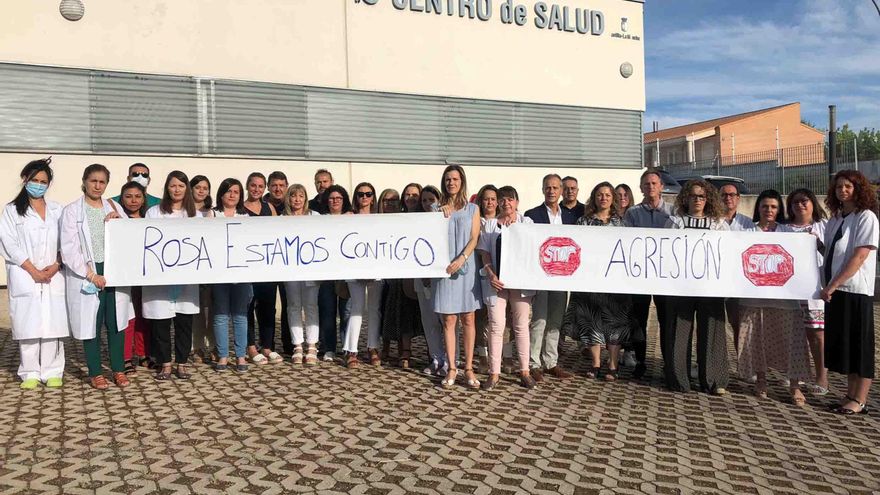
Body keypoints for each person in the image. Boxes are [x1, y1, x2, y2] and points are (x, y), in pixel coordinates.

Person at [60, 164, 133, 389]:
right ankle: (95, 372)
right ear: (84, 181)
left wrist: (119, 222)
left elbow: (130, 237)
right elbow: (69, 248)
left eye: (102, 182)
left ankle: (118, 369)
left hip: (113, 273)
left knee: (116, 322)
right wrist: (91, 274)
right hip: (88, 272)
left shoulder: (114, 206)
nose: (97, 186)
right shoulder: (72, 210)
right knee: (90, 323)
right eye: (93, 181)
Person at [0, 158, 68, 389]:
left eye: (43, 181)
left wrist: (57, 264)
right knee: (28, 323)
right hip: (25, 273)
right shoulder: (11, 211)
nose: (39, 185)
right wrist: (32, 270)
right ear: (24, 180)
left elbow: (67, 240)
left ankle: (53, 370)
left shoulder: (58, 210)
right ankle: (29, 372)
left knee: (52, 323)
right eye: (35, 180)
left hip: (53, 273)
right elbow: (9, 243)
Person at [737, 189, 809, 405]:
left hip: (786, 299)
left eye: (774, 207)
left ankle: (795, 386)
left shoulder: (790, 233)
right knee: (756, 340)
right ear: (758, 208)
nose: (769, 210)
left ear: (779, 210)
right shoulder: (745, 233)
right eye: (765, 206)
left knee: (792, 342)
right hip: (753, 299)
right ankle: (761, 381)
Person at [564, 182, 637, 381]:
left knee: (615, 324)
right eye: (599, 195)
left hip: (615, 282)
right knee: (592, 322)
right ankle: (596, 363)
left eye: (607, 195)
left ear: (613, 198)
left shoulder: (622, 223)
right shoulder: (583, 222)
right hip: (590, 281)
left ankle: (612, 364)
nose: (603, 198)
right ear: (594, 198)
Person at [663, 179, 729, 395]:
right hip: (680, 285)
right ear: (686, 198)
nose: (698, 200)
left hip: (710, 285)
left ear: (707, 198)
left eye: (701, 196)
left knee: (712, 329)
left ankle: (713, 380)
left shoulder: (718, 223)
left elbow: (726, 253)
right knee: (679, 330)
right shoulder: (675, 221)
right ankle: (678, 379)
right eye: (693, 196)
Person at [820, 170, 879, 415]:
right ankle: (849, 395)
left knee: (860, 346)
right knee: (846, 347)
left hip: (855, 291)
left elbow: (859, 256)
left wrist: (831, 286)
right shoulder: (835, 219)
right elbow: (830, 252)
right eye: (838, 187)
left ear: (858, 189)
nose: (842, 190)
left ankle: (860, 400)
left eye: (848, 186)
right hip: (836, 292)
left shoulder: (866, 217)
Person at [143, 171, 202, 380]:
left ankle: (182, 362)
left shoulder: (195, 215)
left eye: (181, 186)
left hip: (186, 277)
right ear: (167, 188)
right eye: (173, 186)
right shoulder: (153, 212)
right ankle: (165, 364)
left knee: (184, 322)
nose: (176, 190)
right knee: (160, 322)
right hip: (160, 277)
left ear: (186, 189)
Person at [477, 185, 536, 390]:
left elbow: (532, 246)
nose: (506, 203)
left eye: (510, 199)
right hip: (497, 282)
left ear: (517, 202)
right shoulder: (491, 225)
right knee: (496, 326)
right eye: (502, 199)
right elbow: (484, 252)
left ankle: (525, 371)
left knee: (520, 326)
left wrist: (516, 228)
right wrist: (491, 273)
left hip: (520, 283)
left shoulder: (526, 222)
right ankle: (494, 373)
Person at [622, 168, 674, 378]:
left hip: (665, 276)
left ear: (661, 186)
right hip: (640, 276)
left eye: (654, 183)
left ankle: (669, 362)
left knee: (666, 319)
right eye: (646, 184)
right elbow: (626, 241)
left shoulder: (673, 212)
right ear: (641, 188)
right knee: (639, 320)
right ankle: (641, 361)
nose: (650, 187)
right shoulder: (632, 213)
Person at [435, 165, 483, 389]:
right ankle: (452, 367)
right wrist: (439, 216)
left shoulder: (473, 208)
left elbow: (474, 238)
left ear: (461, 181)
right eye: (447, 179)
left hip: (466, 266)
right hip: (445, 269)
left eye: (455, 179)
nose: (451, 183)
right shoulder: (438, 209)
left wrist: (462, 259)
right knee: (449, 319)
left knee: (468, 318)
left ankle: (469, 368)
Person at [524, 174, 576, 381]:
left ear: (561, 191)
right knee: (539, 319)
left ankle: (551, 362)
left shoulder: (571, 218)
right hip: (541, 275)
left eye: (555, 188)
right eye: (548, 187)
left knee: (556, 320)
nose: (552, 191)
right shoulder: (532, 215)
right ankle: (533, 363)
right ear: (543, 189)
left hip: (562, 277)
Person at [781, 188, 828, 395]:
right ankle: (795, 376)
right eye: (795, 202)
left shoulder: (824, 226)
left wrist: (816, 242)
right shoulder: (783, 230)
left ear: (813, 204)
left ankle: (821, 376)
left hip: (815, 290)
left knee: (817, 334)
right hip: (790, 289)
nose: (800, 205)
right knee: (792, 334)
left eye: (804, 201)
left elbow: (832, 255)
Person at [211, 178, 253, 373]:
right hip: (218, 274)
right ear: (221, 194)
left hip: (241, 274)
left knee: (240, 316)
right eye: (228, 191)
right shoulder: (211, 215)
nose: (232, 195)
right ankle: (222, 356)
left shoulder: (246, 217)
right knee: (220, 316)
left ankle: (241, 355)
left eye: (236, 191)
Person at [379, 187, 423, 368]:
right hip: (391, 271)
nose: (410, 198)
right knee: (392, 309)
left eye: (414, 195)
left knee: (420, 313)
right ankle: (397, 349)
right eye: (407, 195)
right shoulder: (398, 216)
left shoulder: (424, 215)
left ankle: (428, 351)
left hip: (416, 270)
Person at [342, 182, 383, 368]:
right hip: (354, 268)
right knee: (357, 308)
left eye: (368, 194)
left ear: (373, 197)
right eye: (360, 194)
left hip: (376, 268)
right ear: (356, 197)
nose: (364, 197)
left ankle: (372, 347)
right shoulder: (349, 217)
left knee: (374, 309)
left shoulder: (379, 217)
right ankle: (351, 350)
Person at [283, 183, 321, 366]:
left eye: (300, 196)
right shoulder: (282, 218)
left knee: (311, 305)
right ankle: (297, 345)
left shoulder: (315, 216)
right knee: (293, 305)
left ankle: (312, 345)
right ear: (288, 198)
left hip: (311, 268)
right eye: (293, 196)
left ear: (305, 199)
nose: (297, 200)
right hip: (290, 269)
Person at [243, 172, 277, 365]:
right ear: (248, 186)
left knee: (267, 308)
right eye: (253, 185)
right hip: (247, 267)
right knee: (247, 307)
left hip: (266, 267)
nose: (256, 189)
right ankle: (251, 347)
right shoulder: (240, 208)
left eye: (260, 186)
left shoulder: (269, 207)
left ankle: (267, 346)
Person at [257, 170, 293, 359]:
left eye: (281, 185)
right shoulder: (261, 206)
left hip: (288, 265)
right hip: (266, 265)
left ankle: (289, 344)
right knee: (266, 305)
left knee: (289, 305)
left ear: (286, 186)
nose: (278, 189)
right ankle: (267, 344)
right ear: (269, 187)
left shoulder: (294, 205)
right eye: (274, 185)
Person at [117, 181, 152, 373]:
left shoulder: (149, 219)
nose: (133, 200)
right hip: (123, 276)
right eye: (128, 196)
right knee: (127, 317)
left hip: (144, 276)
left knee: (143, 316)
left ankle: (144, 354)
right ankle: (125, 357)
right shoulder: (117, 220)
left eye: (137, 196)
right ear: (122, 198)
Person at [719, 183, 756, 354]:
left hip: (738, 281)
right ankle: (710, 363)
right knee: (713, 325)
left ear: (738, 198)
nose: (728, 198)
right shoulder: (712, 221)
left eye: (732, 195)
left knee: (738, 323)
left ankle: (743, 362)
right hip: (716, 279)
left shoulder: (748, 223)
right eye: (724, 195)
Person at [317, 184, 352, 362]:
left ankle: (347, 347)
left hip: (346, 273)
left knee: (346, 312)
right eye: (331, 198)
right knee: (327, 311)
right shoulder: (320, 220)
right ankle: (329, 348)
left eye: (338, 198)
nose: (335, 201)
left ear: (344, 200)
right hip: (326, 273)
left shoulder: (352, 218)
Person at [417, 185, 447, 375]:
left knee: (447, 321)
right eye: (425, 200)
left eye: (432, 199)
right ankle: (435, 358)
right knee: (429, 321)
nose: (428, 203)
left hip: (443, 278)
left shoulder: (445, 218)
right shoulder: (416, 221)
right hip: (422, 278)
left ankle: (451, 360)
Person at [189, 175, 216, 365]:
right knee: (196, 310)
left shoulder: (212, 213)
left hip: (211, 267)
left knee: (212, 309)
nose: (201, 191)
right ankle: (196, 347)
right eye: (197, 187)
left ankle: (214, 346)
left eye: (205, 188)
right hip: (192, 267)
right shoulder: (184, 212)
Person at [473, 184, 499, 373]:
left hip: (500, 277)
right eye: (485, 199)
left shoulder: (505, 221)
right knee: (480, 317)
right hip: (476, 274)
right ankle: (482, 355)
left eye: (492, 199)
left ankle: (504, 356)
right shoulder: (475, 221)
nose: (489, 202)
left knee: (500, 319)